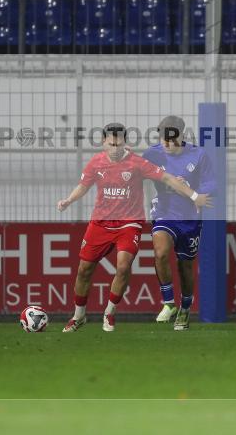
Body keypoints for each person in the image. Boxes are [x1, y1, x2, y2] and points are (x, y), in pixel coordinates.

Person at [57, 122, 212, 332]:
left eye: (118, 142)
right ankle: (79, 316)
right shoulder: (96, 163)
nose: (114, 147)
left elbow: (167, 177)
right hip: (100, 222)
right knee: (84, 269)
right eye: (111, 143)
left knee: (123, 266)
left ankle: (110, 313)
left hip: (129, 223)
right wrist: (68, 200)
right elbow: (83, 186)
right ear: (104, 142)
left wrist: (194, 195)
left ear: (124, 142)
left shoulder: (137, 163)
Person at [142, 116, 217, 331]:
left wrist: (201, 194)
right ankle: (168, 303)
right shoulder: (153, 153)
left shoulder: (199, 155)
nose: (166, 144)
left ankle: (185, 307)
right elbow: (136, 171)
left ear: (182, 136)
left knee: (185, 265)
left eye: (170, 140)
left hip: (189, 217)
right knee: (161, 251)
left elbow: (211, 182)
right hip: (164, 212)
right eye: (163, 139)